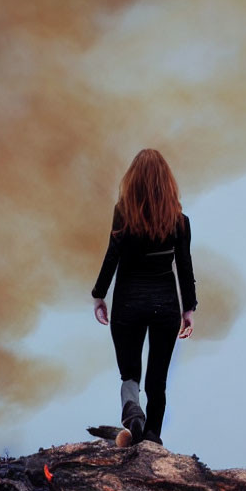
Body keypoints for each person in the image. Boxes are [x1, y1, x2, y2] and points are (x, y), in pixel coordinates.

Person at [91, 148, 197, 448]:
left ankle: (132, 410)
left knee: (130, 373)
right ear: (168, 183)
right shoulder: (180, 221)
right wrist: (188, 308)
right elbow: (184, 266)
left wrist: (99, 295)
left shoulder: (123, 213)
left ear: (133, 181)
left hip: (128, 303)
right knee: (158, 382)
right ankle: (151, 439)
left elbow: (112, 256)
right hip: (165, 306)